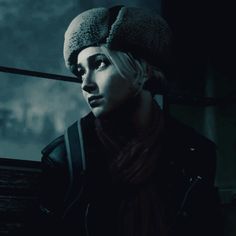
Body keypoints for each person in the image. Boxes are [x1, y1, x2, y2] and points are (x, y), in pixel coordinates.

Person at [38, 5, 223, 236]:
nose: (85, 84)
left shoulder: (195, 152)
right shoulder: (64, 158)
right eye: (81, 71)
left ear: (143, 69)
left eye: (99, 64)